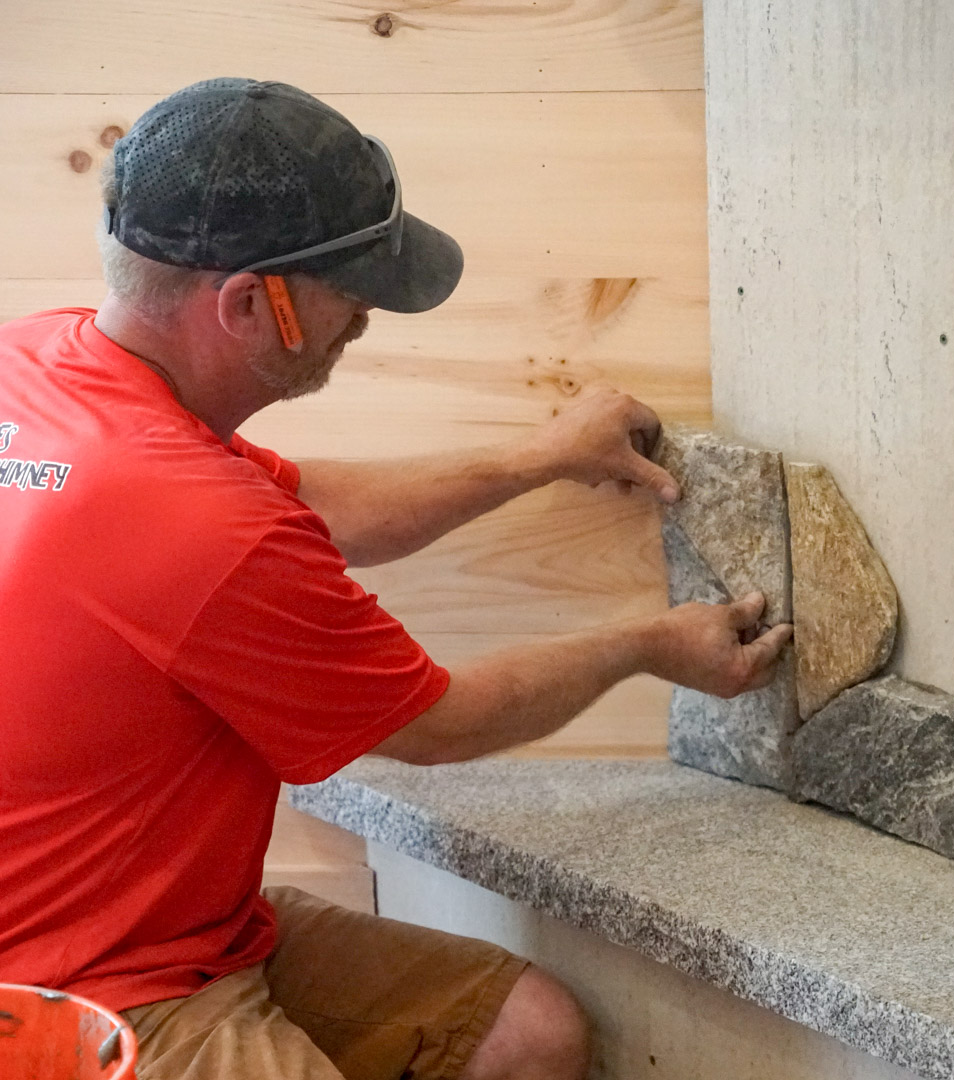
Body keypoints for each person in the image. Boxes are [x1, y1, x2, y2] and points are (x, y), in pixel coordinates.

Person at [0, 78, 793, 1080]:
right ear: (250, 303)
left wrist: (542, 455)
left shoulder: (44, 364)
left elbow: (316, 510)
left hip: (168, 928)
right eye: (351, 287)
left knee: (526, 1034)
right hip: (84, 1002)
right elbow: (441, 724)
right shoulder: (191, 516)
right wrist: (646, 643)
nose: (368, 311)